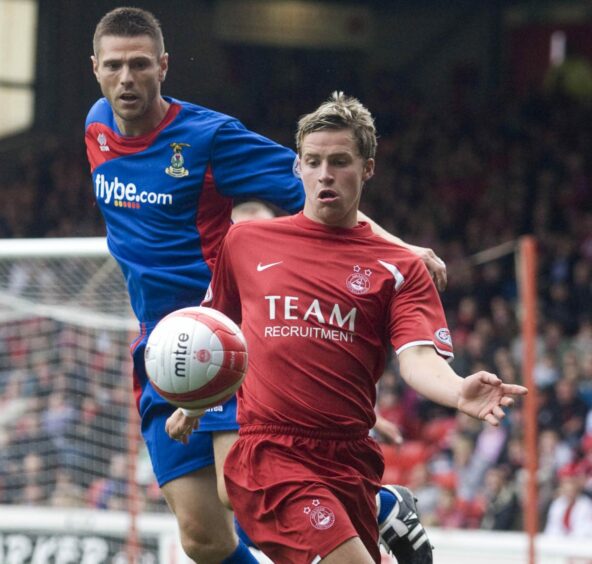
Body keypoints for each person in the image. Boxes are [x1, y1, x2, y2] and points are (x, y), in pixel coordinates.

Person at [86, 7, 446, 563]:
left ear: (163, 66)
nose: (127, 79)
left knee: (243, 489)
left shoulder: (208, 137)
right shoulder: (96, 126)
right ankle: (379, 508)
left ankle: (374, 506)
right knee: (203, 539)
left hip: (223, 331)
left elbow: (315, 184)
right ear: (95, 68)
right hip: (159, 346)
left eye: (139, 64)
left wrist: (395, 247)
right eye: (114, 66)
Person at [167, 92, 528, 563]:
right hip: (269, 451)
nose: (324, 174)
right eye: (313, 162)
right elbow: (216, 332)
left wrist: (459, 391)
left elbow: (418, 358)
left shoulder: (400, 268)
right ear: (297, 167)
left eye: (339, 161)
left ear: (368, 168)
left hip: (350, 460)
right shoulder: (247, 241)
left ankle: (384, 506)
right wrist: (194, 402)